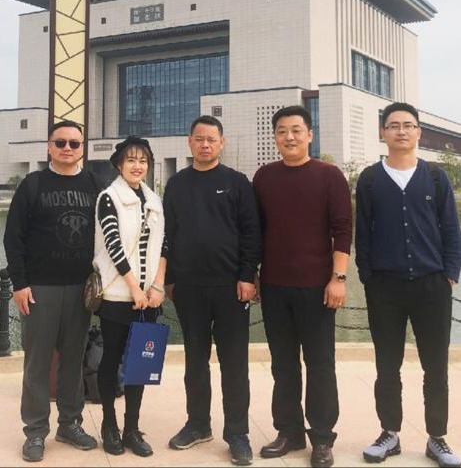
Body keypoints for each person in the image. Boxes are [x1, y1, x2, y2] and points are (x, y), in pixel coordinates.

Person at [355, 102, 461, 468]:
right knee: (387, 366)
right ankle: (389, 433)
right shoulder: (370, 178)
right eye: (394, 125)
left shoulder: (435, 177)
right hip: (385, 287)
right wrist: (367, 276)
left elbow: (451, 229)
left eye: (408, 125)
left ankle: (437, 437)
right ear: (383, 132)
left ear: (418, 132)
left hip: (432, 286)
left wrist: (450, 274)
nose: (401, 131)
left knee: (436, 366)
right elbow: (362, 232)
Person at [253, 105, 352, 468]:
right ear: (275, 137)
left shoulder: (329, 176)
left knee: (320, 364)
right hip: (275, 286)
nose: (289, 137)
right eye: (282, 131)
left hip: (317, 287)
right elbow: (256, 231)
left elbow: (343, 230)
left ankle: (322, 438)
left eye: (296, 130)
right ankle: (289, 431)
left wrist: (338, 278)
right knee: (283, 364)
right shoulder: (264, 177)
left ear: (310, 135)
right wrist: (254, 273)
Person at [164, 115, 261, 467]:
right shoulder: (176, 184)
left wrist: (247, 276)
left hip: (231, 287)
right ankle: (198, 424)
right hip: (189, 287)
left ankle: (237, 433)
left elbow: (251, 232)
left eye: (211, 139)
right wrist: (170, 279)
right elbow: (168, 234)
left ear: (222, 143)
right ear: (189, 142)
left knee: (234, 363)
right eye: (199, 139)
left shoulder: (237, 182)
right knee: (195, 360)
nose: (205, 145)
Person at [3, 120, 101, 463]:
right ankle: (35, 431)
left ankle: (70, 424)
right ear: (49, 146)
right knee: (37, 363)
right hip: (40, 289)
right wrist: (20, 283)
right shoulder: (33, 185)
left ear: (82, 148)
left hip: (80, 288)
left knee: (73, 360)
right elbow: (13, 238)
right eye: (60, 142)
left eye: (74, 143)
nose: (67, 148)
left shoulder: (94, 184)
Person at [94, 136, 166, 457]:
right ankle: (109, 423)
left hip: (148, 298)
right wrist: (133, 288)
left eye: (143, 161)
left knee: (140, 362)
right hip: (117, 296)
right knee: (111, 358)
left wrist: (157, 286)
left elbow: (164, 244)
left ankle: (132, 428)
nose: (138, 166)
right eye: (131, 160)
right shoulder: (109, 198)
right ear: (119, 165)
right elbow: (113, 245)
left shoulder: (154, 200)